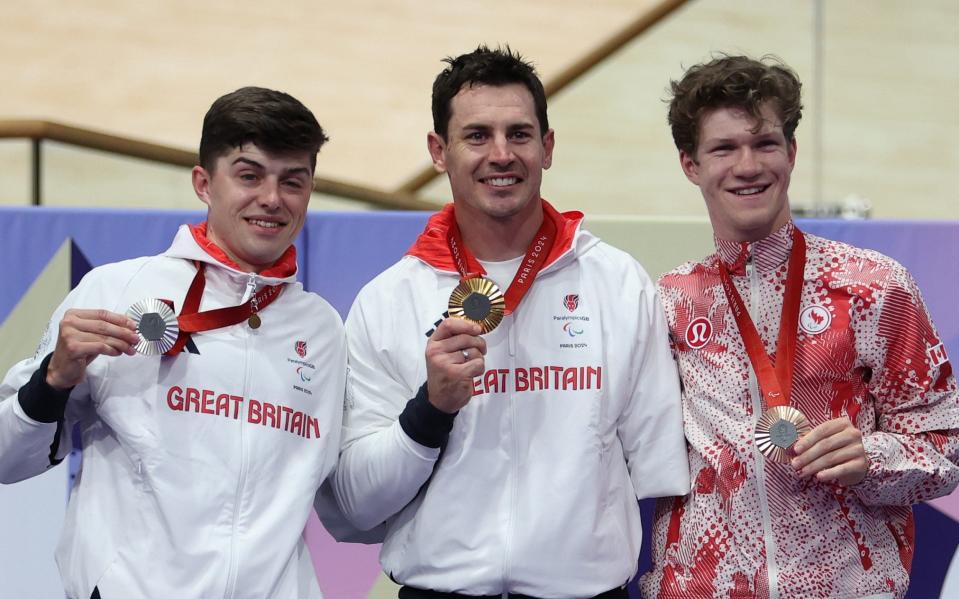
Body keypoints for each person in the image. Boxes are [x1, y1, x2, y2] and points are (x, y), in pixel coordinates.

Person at [331, 45, 689, 599]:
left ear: (547, 148)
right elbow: (357, 502)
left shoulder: (619, 285)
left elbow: (661, 476)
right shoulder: (388, 300)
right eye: (477, 136)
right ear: (438, 150)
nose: (501, 154)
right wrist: (431, 409)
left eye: (519, 134)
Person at [0, 87, 345, 599]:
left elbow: (345, 504)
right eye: (249, 176)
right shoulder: (117, 290)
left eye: (292, 181)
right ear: (204, 183)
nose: (273, 199)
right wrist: (52, 380)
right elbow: (6, 459)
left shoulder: (323, 329)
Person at [641, 55, 959, 599]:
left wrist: (874, 458)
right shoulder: (668, 302)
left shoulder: (873, 287)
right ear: (690, 164)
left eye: (764, 143)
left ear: (790, 152)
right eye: (724, 148)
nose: (747, 166)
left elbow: (946, 449)